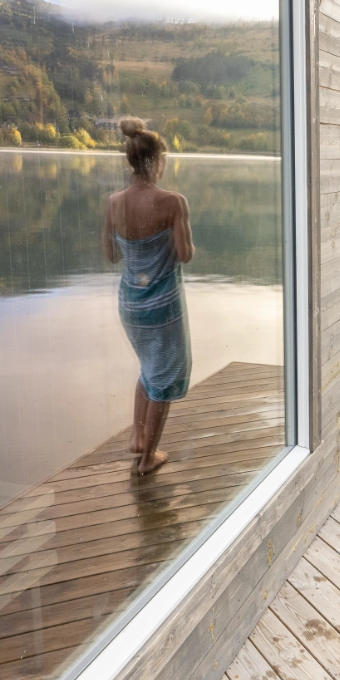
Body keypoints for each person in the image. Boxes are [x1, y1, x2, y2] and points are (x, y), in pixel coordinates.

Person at [103, 118, 194, 475]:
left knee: (148, 370)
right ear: (156, 161)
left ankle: (138, 438)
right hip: (163, 309)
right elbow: (184, 254)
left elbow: (112, 255)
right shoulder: (173, 202)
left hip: (130, 305)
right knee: (164, 378)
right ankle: (147, 458)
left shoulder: (113, 202)